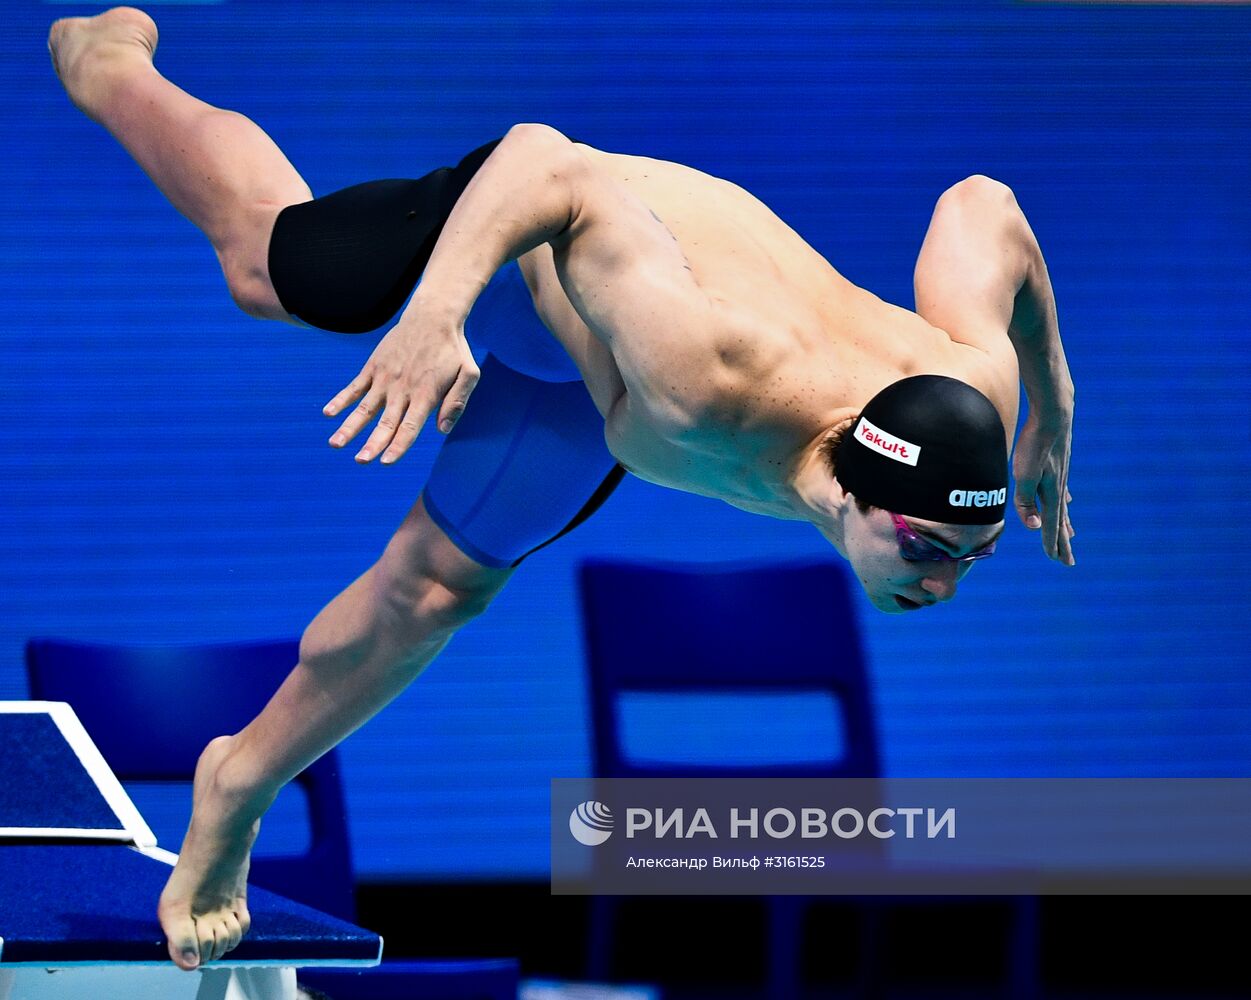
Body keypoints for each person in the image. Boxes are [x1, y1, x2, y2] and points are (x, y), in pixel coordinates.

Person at [48, 5, 1075, 972]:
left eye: (968, 557)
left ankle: (235, 782)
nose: (942, 585)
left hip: (588, 367)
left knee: (440, 588)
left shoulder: (970, 387)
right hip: (525, 239)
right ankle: (109, 64)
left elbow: (986, 207)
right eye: (931, 550)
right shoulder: (710, 367)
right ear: (853, 483)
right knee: (263, 271)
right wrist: (436, 317)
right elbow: (550, 162)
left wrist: (1050, 422)